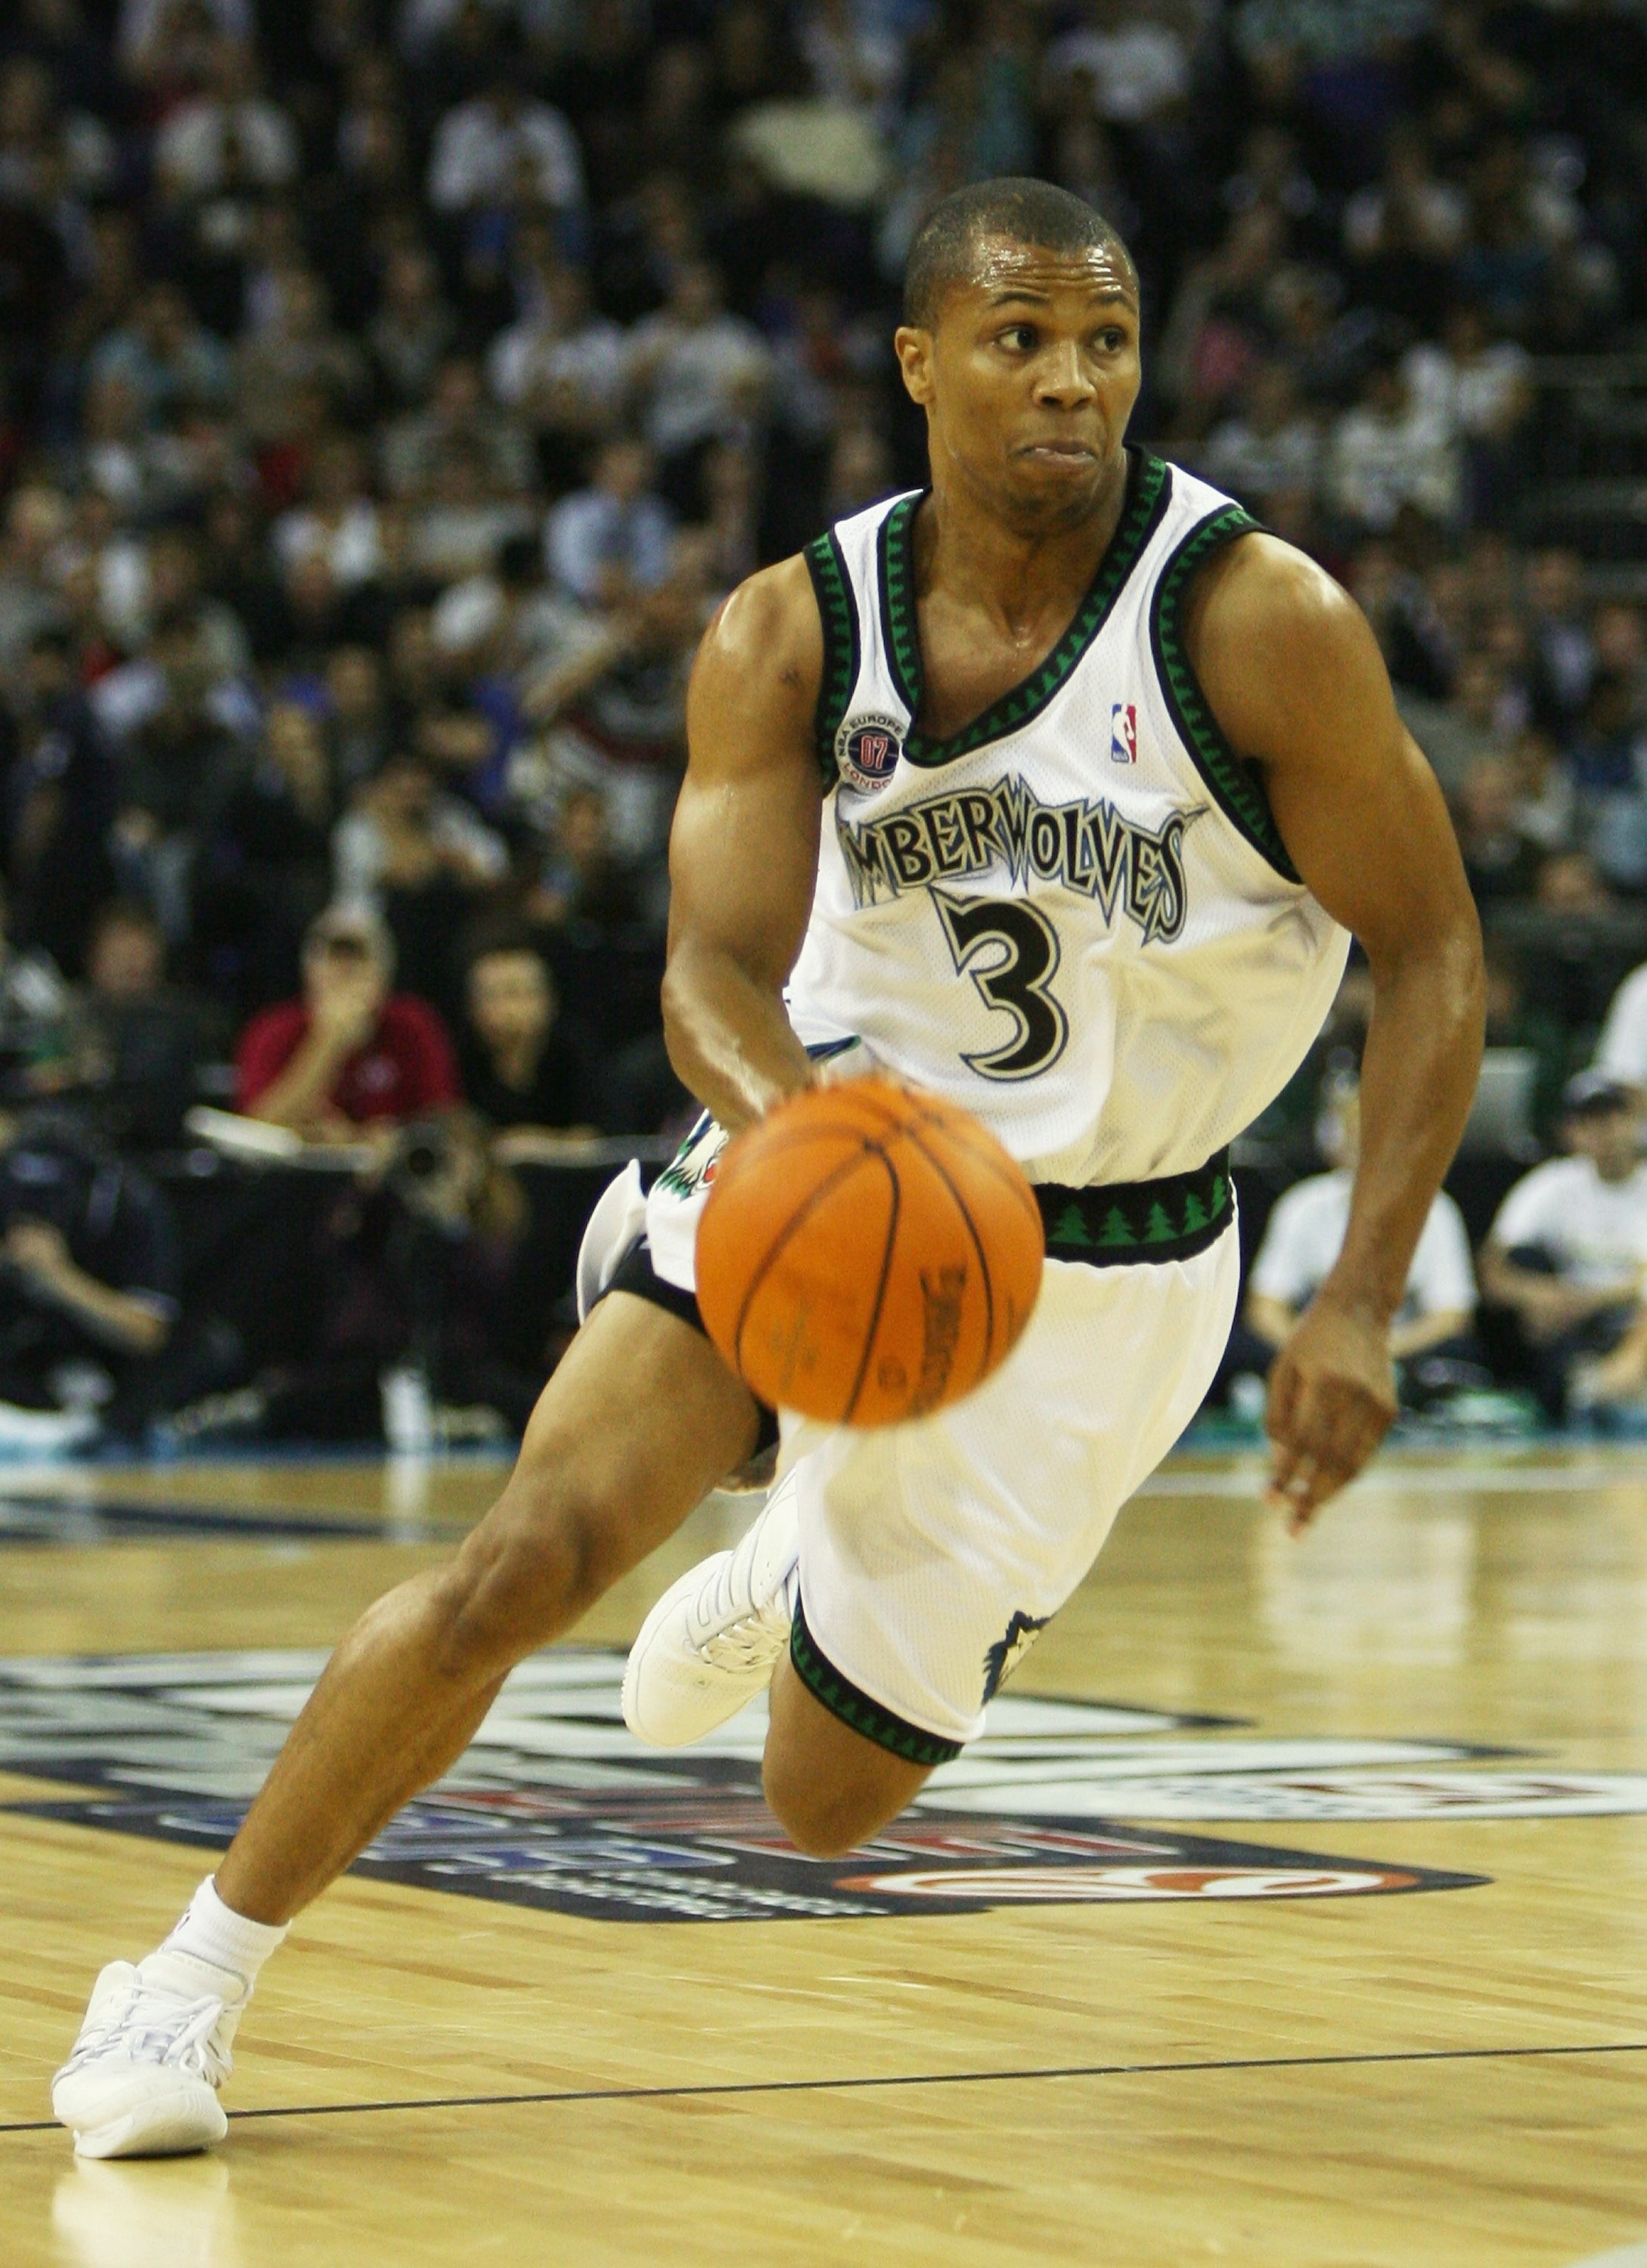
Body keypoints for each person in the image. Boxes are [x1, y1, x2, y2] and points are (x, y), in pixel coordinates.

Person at [54, 178, 1484, 2159]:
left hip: (1113, 1264)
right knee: (521, 1559)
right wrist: (797, 1137)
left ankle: (801, 1539)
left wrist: (1357, 1298)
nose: (1071, 382)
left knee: (816, 1808)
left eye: (1106, 341)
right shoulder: (793, 627)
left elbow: (1434, 957)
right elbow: (708, 971)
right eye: (1019, 340)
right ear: (919, 366)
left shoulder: (1252, 624)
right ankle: (187, 1981)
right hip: (835, 1163)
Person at [1240, 1078, 1481, 1409]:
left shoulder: (1435, 1209)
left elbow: (1451, 1315)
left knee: (1454, 1355)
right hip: (1314, 1345)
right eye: (1355, 1136)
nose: (1366, 1149)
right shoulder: (1303, 1205)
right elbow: (1265, 1305)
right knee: (1241, 1350)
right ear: (1336, 1144)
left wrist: (1379, 1351)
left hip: (1399, 1347)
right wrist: (1308, 1347)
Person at [1479, 1071, 1647, 1419]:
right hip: (1573, 1326)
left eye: (1616, 1117)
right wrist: (1541, 1296)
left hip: (1632, 1321)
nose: (1607, 1131)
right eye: (1593, 1121)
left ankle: (1620, 1378)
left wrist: (1587, 1302)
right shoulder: (1552, 1185)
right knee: (1528, 1261)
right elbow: (1493, 1269)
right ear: (1572, 1132)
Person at [234, 904, 458, 1138]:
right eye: (334, 961)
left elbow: (444, 1120)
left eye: (357, 962)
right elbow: (256, 1128)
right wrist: (328, 1040)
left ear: (383, 975)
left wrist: (366, 1136)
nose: (344, 973)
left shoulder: (414, 1025)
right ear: (310, 971)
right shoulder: (274, 1028)